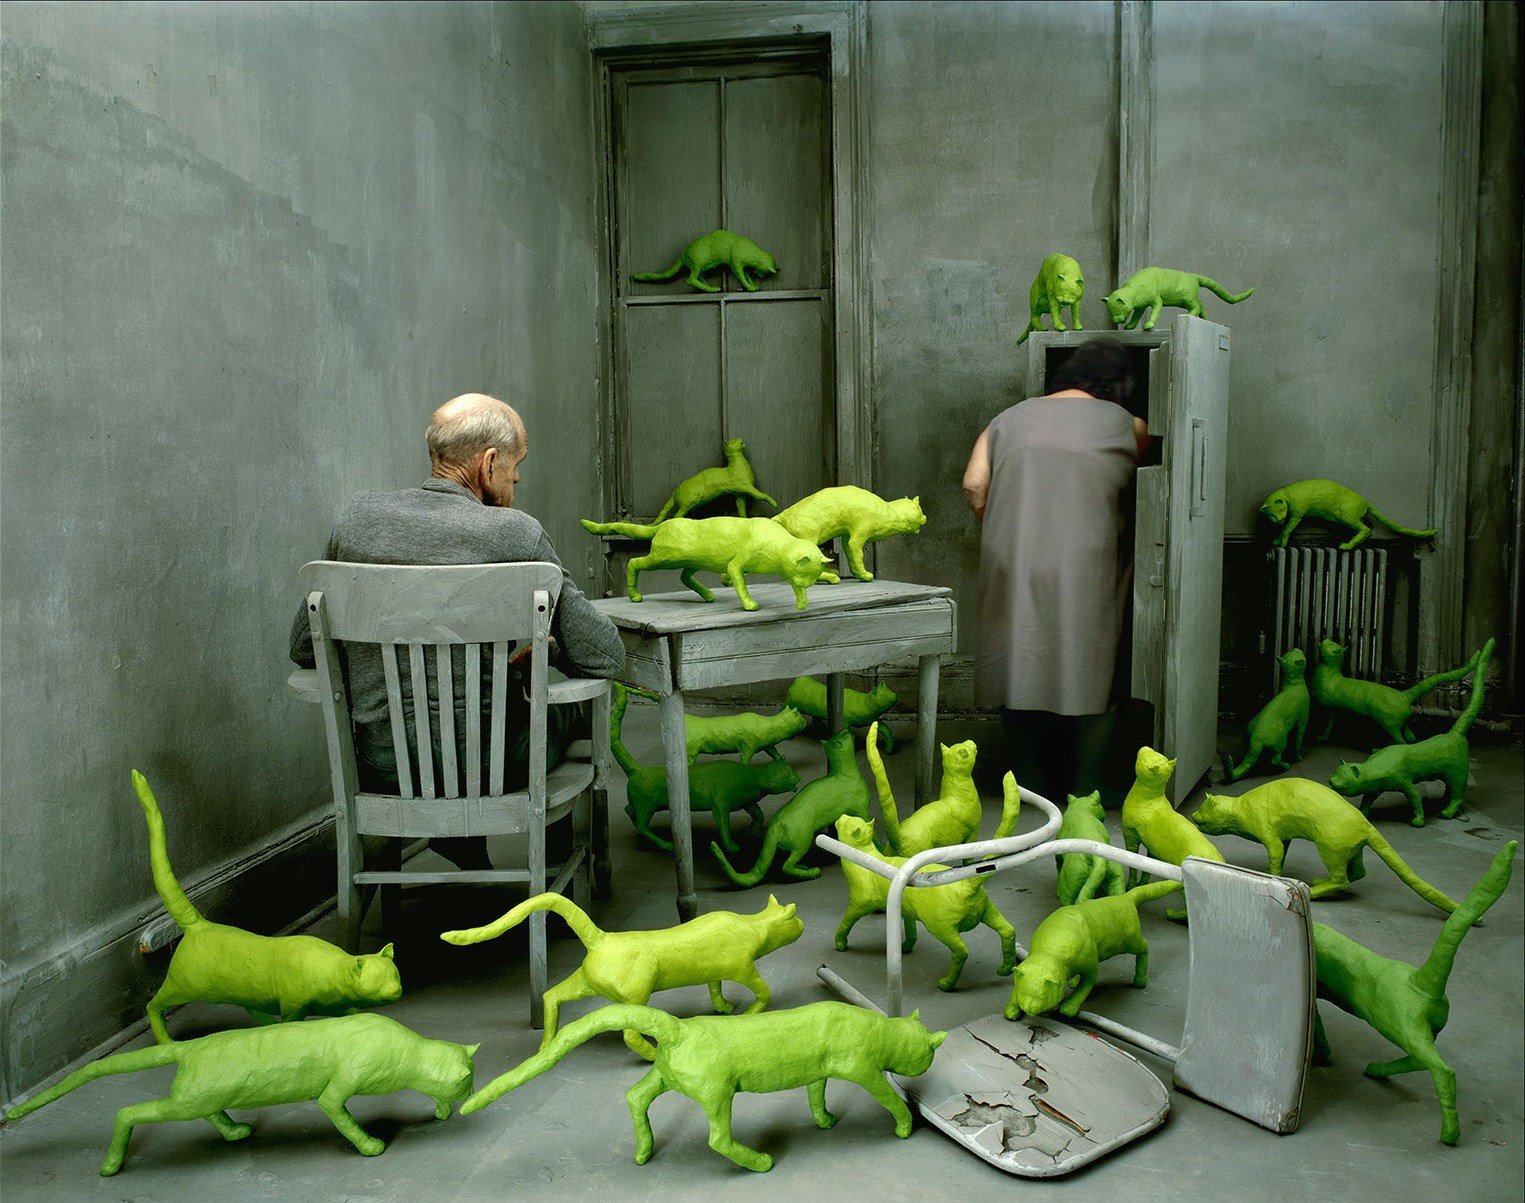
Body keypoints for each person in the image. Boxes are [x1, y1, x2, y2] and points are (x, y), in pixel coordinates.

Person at [290, 392, 624, 868]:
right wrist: (547, 652)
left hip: (384, 765)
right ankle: (555, 876)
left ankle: (462, 849)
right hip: (494, 764)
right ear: (488, 463)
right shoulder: (517, 535)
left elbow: (305, 647)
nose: (517, 479)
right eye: (515, 466)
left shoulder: (355, 523)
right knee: (568, 711)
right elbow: (605, 654)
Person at [963, 339, 1150, 804]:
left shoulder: (1005, 419)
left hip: (1014, 554)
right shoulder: (1129, 425)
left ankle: (1028, 785)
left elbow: (974, 484)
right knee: (1094, 662)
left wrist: (1013, 528)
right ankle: (1085, 787)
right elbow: (1146, 488)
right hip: (1090, 558)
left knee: (1017, 657)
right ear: (1119, 384)